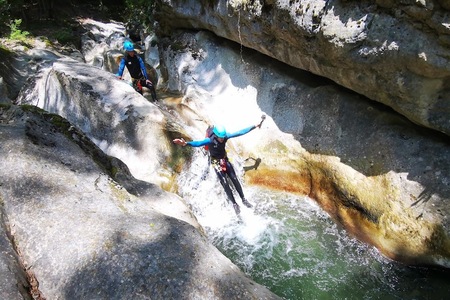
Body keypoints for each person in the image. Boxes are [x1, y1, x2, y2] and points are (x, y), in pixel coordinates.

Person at [173, 120, 264, 215]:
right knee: (224, 182)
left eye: (222, 137)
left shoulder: (225, 137)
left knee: (234, 178)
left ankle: (243, 199)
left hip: (224, 160)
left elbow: (239, 132)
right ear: (216, 135)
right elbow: (199, 143)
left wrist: (255, 125)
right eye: (220, 137)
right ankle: (234, 204)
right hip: (216, 162)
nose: (222, 139)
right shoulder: (210, 140)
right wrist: (186, 143)